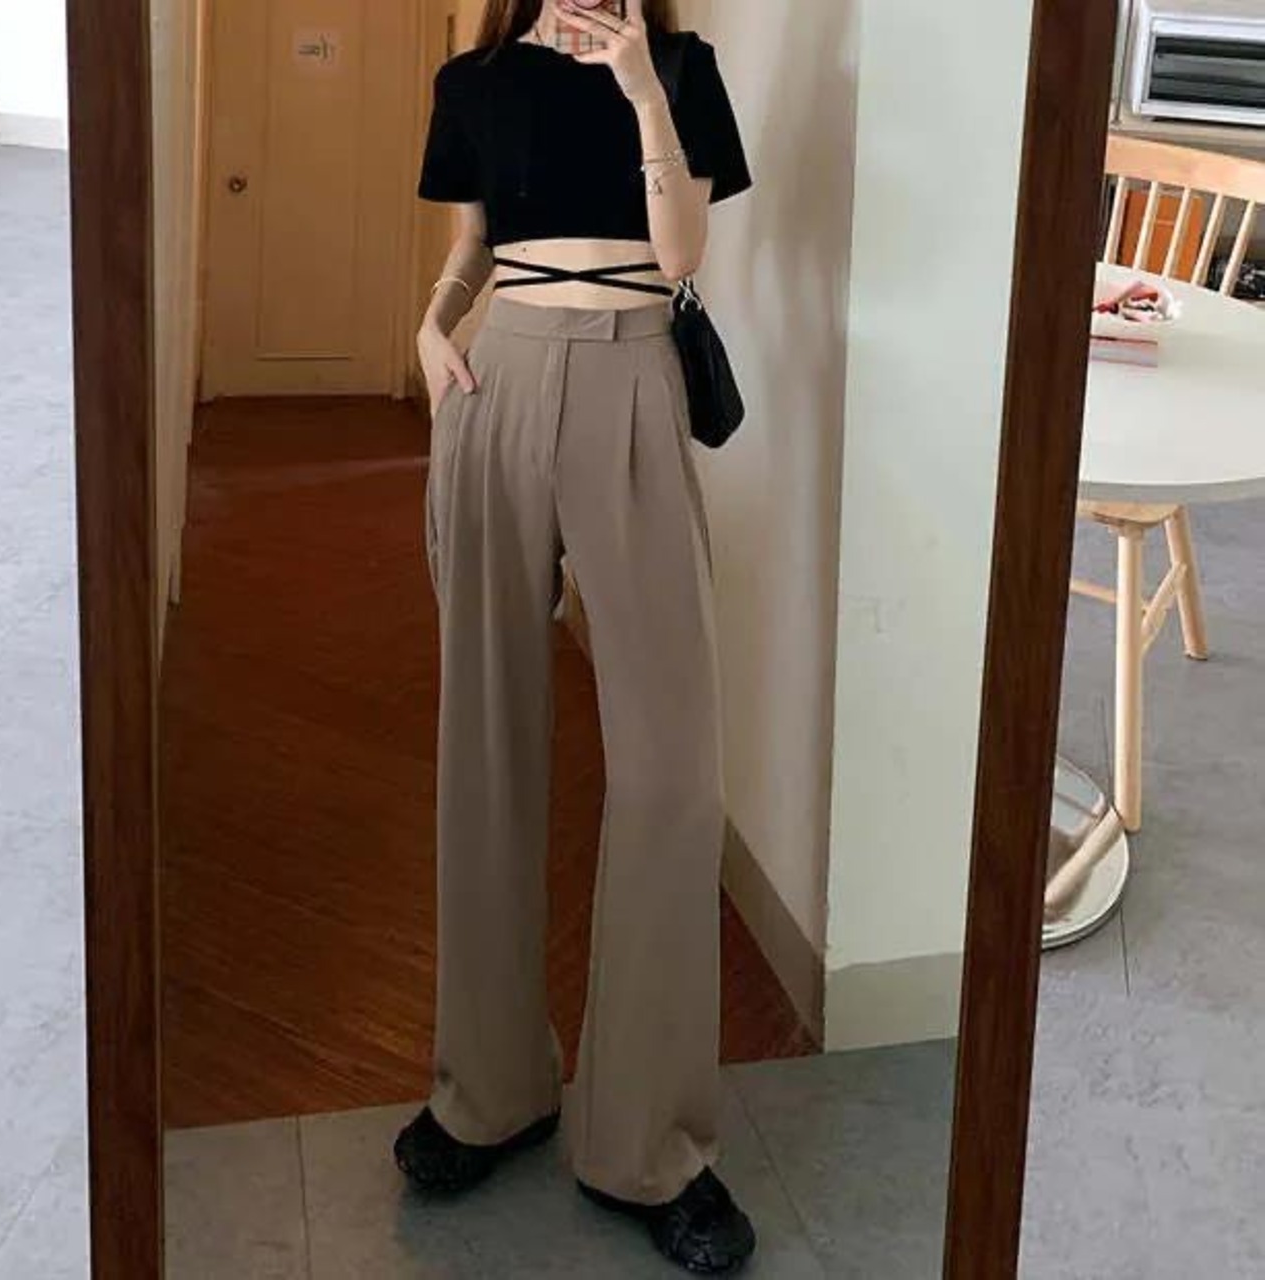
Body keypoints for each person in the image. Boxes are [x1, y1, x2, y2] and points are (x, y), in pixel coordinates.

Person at [394, 0, 754, 1270]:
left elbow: (680, 249)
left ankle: (646, 1140)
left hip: (634, 374)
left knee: (670, 768)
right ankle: (487, 1090)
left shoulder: (684, 70)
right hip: (494, 379)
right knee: (486, 736)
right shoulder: (470, 81)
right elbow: (471, 247)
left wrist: (644, 91)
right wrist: (432, 325)